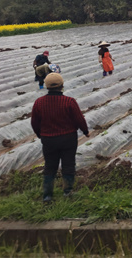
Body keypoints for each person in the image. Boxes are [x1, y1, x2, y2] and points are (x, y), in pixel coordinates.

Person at [31, 73, 89, 202]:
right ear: (62, 85)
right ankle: (67, 192)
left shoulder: (39, 102)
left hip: (48, 139)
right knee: (68, 164)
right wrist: (85, 131)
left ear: (47, 86)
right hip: (68, 138)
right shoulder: (69, 101)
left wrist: (40, 134)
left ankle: (47, 196)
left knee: (50, 166)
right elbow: (79, 119)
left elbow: (34, 122)